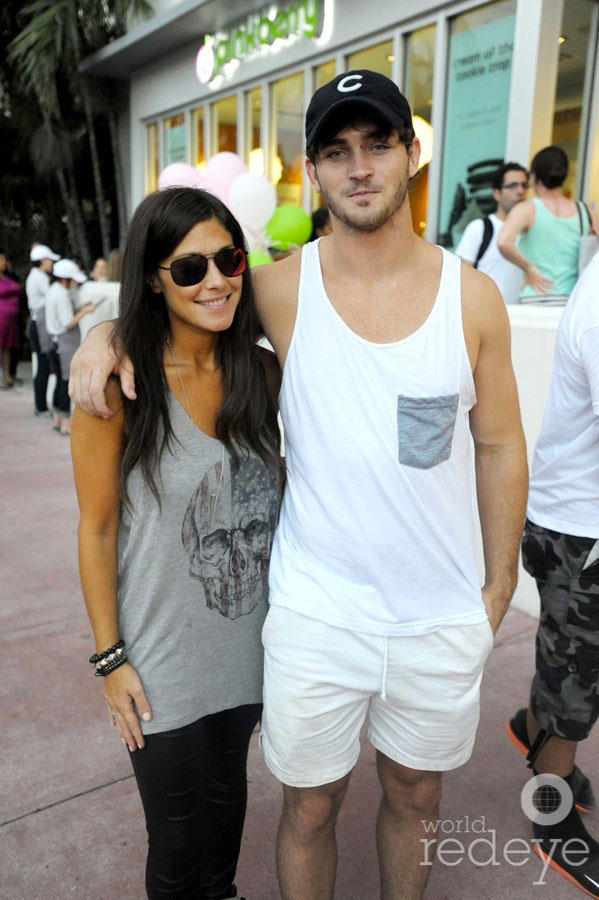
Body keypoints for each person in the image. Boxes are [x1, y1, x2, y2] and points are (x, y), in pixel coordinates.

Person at [69, 70, 528, 900]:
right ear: (312, 171)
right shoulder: (277, 288)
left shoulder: (473, 300)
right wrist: (103, 335)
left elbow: (498, 445)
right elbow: (177, 296)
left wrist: (497, 587)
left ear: (411, 153)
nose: (360, 167)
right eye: (336, 151)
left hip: (437, 614)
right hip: (316, 613)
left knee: (416, 795)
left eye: (377, 144)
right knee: (310, 805)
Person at [71, 187, 283, 900]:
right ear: (154, 279)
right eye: (190, 268)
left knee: (228, 810)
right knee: (176, 842)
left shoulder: (262, 374)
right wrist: (110, 660)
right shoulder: (118, 388)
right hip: (160, 662)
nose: (215, 281)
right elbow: (97, 529)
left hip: (248, 649)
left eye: (229, 260)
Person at [506, 252, 599, 897]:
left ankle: (533, 732)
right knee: (577, 674)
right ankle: (552, 809)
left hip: (572, 522)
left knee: (567, 656)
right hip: (579, 530)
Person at [498, 145, 599, 299]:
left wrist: (529, 268)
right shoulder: (585, 211)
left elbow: (503, 242)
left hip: (535, 296)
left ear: (534, 177)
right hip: (570, 299)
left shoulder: (528, 209)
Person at [455, 162, 528, 303]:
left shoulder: (530, 231)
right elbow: (461, 279)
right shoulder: (479, 228)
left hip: (524, 313)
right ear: (497, 194)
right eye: (512, 186)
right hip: (486, 312)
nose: (520, 191)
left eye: (524, 185)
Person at [44, 259, 94, 435]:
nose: (74, 283)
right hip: (64, 344)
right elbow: (68, 323)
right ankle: (66, 424)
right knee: (65, 383)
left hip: (54, 342)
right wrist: (85, 311)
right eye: (72, 279)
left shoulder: (53, 290)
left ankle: (57, 420)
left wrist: (80, 308)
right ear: (65, 279)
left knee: (59, 381)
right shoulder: (62, 295)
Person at [25, 244, 59, 415]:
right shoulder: (39, 277)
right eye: (50, 260)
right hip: (40, 325)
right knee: (43, 365)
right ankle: (41, 407)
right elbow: (53, 296)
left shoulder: (36, 275)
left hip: (37, 323)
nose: (51, 263)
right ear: (43, 260)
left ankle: (41, 406)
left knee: (43, 364)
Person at [75, 248, 123, 341]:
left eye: (103, 267)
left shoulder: (87, 288)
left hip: (90, 338)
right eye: (98, 267)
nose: (100, 270)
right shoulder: (120, 290)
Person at [0, 252, 21, 388]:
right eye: (1, 260)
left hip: (10, 320)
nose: (4, 262)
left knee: (7, 348)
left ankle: (7, 376)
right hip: (1, 318)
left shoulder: (8, 276)